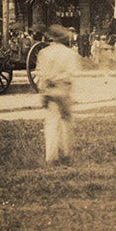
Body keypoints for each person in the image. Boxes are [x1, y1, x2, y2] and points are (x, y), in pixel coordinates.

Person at [35, 24, 79, 165]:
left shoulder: (44, 53)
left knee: (51, 123)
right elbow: (73, 73)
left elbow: (40, 74)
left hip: (49, 90)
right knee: (67, 123)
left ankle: (51, 157)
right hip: (64, 89)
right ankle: (66, 155)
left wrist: (43, 91)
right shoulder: (70, 54)